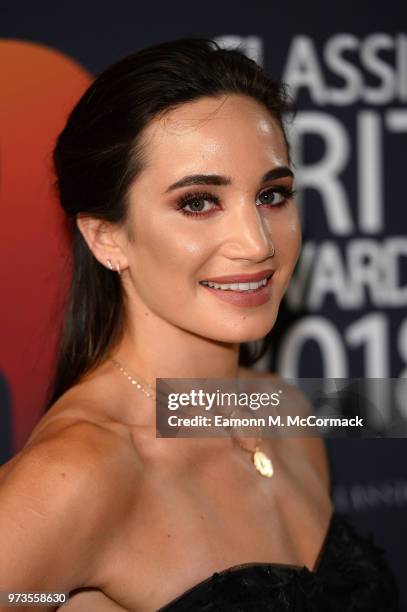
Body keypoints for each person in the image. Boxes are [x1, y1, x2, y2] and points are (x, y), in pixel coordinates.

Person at [0, 38, 399, 612]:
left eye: (272, 194)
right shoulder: (77, 475)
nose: (257, 244)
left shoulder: (283, 410)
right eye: (197, 202)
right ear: (106, 236)